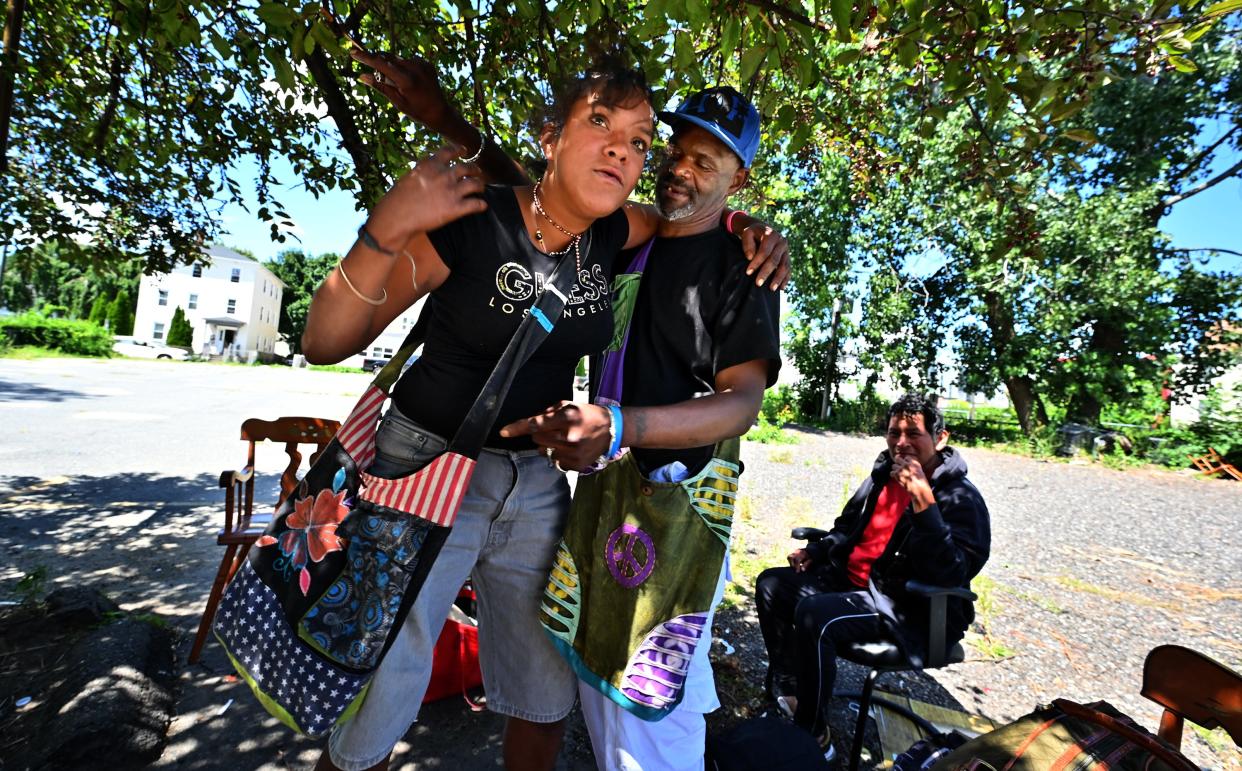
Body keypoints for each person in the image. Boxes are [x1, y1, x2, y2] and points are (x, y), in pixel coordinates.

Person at [302, 60, 786, 771]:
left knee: (584, 689)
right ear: (552, 135)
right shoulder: (541, 228)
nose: (634, 154)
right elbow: (325, 340)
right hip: (446, 468)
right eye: (605, 126)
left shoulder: (671, 246)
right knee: (393, 683)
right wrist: (402, 199)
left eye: (643, 140)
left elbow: (737, 379)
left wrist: (748, 226)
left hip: (594, 491)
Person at [497, 86, 780, 771]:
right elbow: (530, 194)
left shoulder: (742, 265)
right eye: (676, 148)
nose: (682, 166)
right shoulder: (631, 241)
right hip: (605, 499)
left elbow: (742, 401)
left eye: (707, 160)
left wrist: (625, 422)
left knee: (647, 715)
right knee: (606, 685)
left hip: (674, 515)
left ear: (737, 178)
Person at [754, 394, 991, 758]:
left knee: (815, 616)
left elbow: (952, 572)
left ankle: (813, 735)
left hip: (904, 604)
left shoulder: (960, 498)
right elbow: (848, 525)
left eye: (914, 433)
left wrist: (924, 504)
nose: (901, 442)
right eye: (894, 432)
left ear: (940, 438)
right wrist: (816, 552)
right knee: (772, 585)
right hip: (851, 582)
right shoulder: (883, 476)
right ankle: (791, 690)